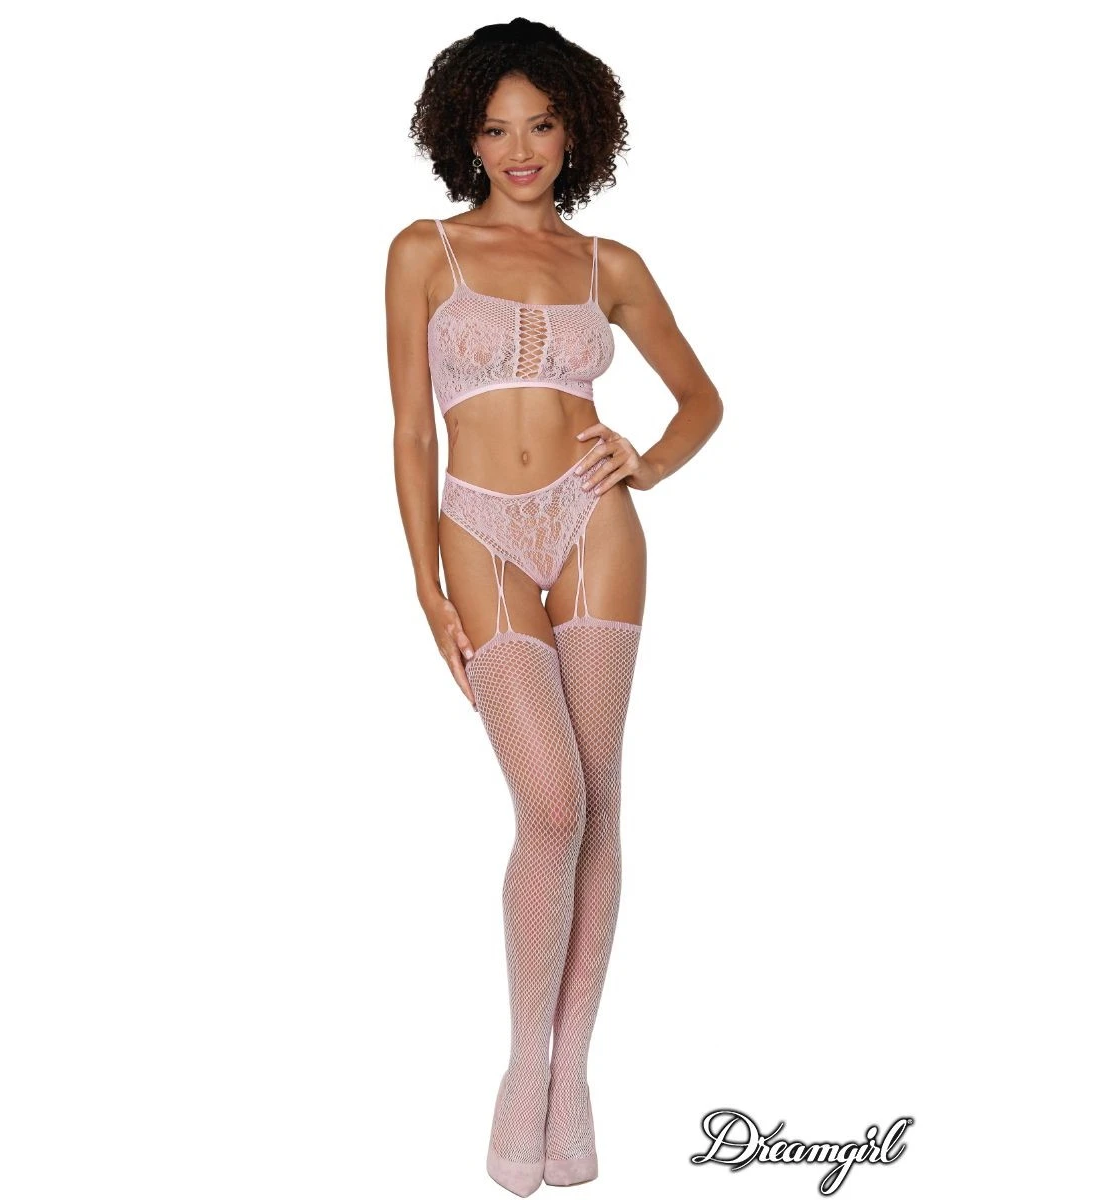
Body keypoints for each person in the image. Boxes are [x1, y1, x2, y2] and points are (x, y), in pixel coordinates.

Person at [385, 17, 724, 1196]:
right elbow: (410, 430)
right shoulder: (423, 249)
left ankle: (568, 1077)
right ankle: (522, 1058)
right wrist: (423, 583)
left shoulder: (607, 265)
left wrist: (649, 463)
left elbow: (702, 398)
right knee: (552, 800)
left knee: (600, 796)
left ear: (576, 130)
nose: (519, 150)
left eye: (539, 125)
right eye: (494, 128)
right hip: (477, 525)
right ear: (463, 136)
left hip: (595, 525)